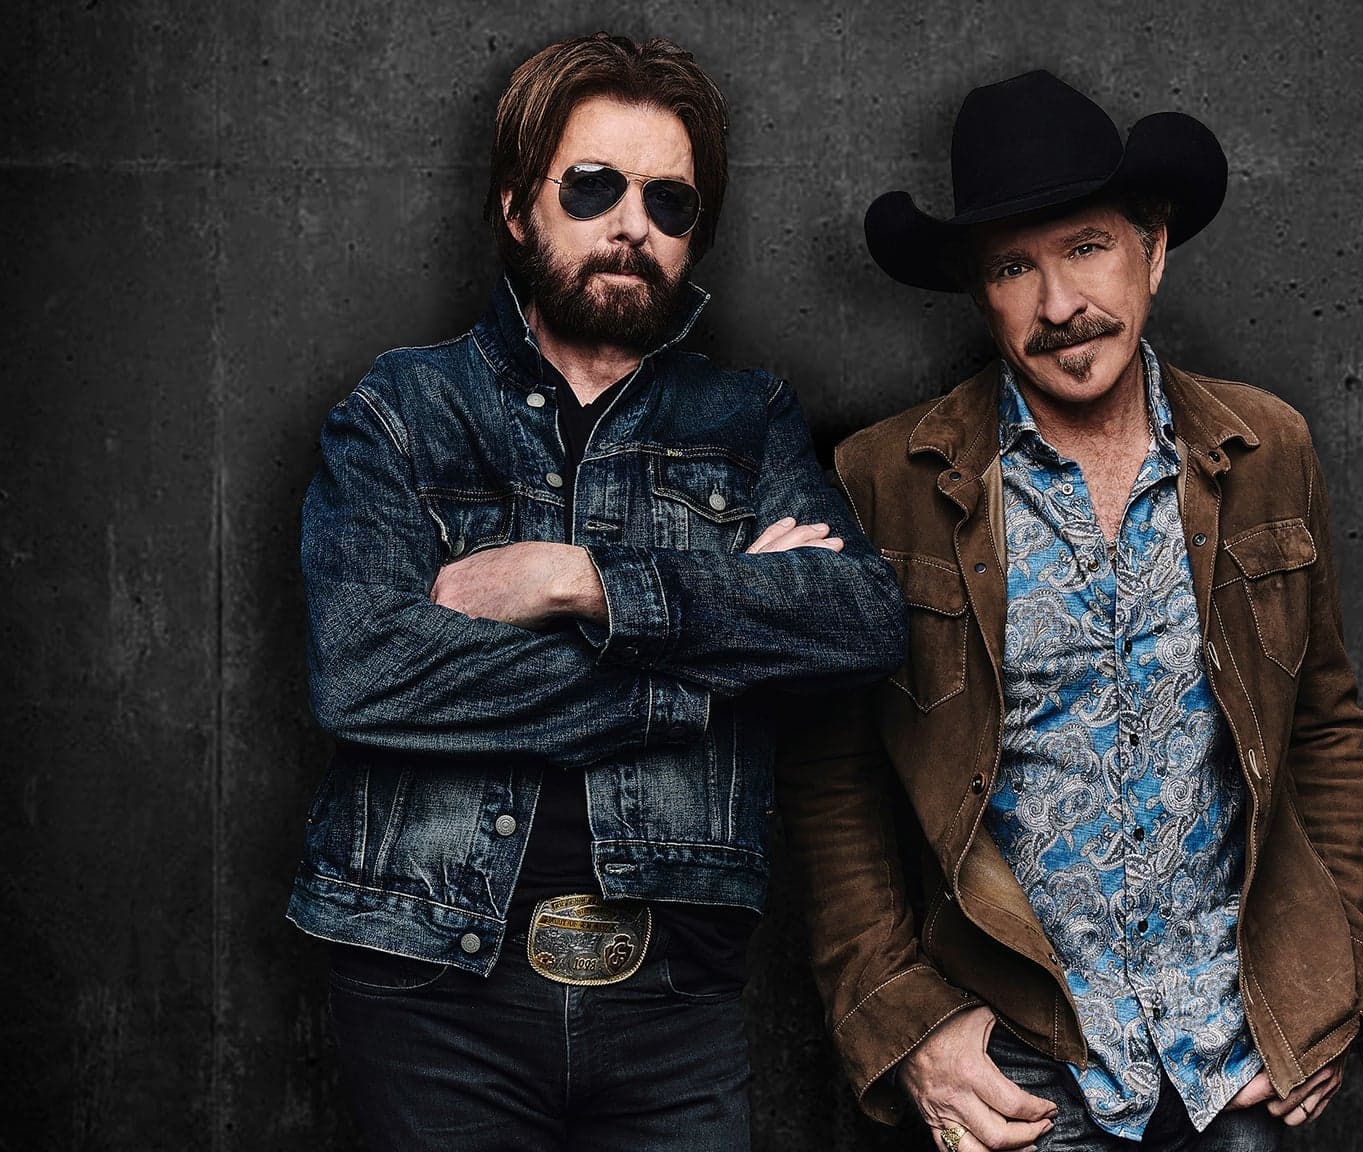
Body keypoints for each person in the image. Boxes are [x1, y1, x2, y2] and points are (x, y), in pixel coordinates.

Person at [286, 32, 906, 1151]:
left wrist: (578, 581)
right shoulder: (402, 413)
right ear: (518, 207)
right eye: (592, 187)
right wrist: (698, 677)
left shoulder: (747, 420)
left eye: (670, 203)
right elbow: (365, 673)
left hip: (673, 1000)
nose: (632, 224)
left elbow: (858, 620)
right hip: (428, 987)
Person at [777, 70, 1363, 1152]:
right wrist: (902, 1021)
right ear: (978, 294)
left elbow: (1324, 728)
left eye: (1086, 248)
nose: (1059, 305)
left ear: (1153, 250)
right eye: (1012, 267)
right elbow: (836, 780)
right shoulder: (884, 479)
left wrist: (1340, 977)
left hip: (1230, 1060)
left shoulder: (1267, 450)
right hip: (1014, 1068)